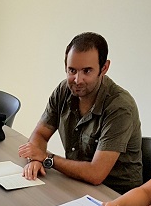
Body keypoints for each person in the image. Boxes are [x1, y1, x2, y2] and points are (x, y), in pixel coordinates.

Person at [19, 32, 143, 193]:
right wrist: (34, 159)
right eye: (72, 70)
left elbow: (96, 174)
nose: (77, 80)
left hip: (115, 195)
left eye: (87, 71)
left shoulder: (120, 107)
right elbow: (41, 134)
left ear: (104, 68)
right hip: (77, 183)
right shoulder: (64, 90)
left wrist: (46, 158)